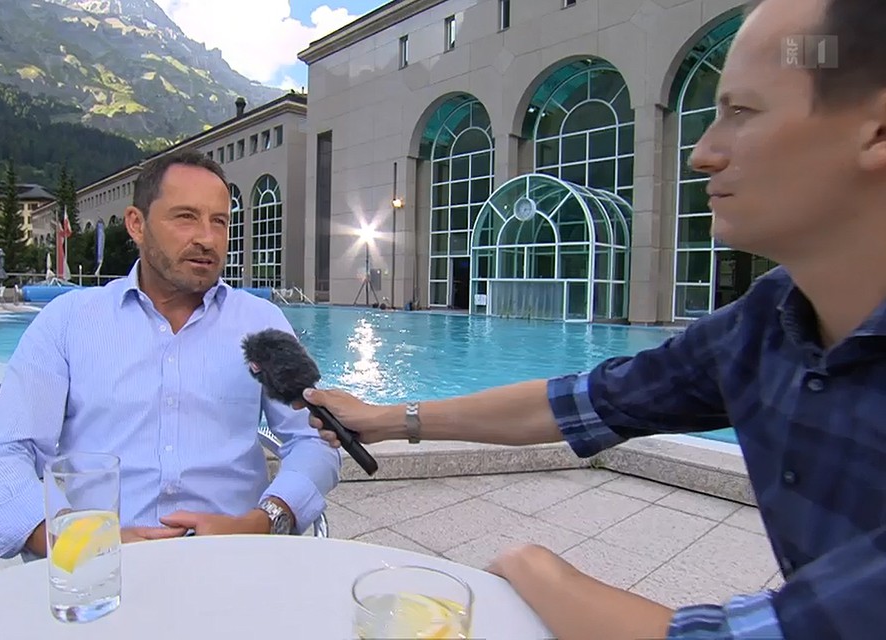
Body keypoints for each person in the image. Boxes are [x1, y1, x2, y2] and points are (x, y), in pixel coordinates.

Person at [300, 0, 886, 638]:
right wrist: (387, 420)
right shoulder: (766, 325)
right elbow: (583, 401)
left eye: (742, 113)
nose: (703, 154)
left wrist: (541, 573)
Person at [0, 151, 341, 560]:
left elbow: (313, 439)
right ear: (136, 224)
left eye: (219, 221)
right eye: (185, 217)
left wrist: (266, 518)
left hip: (232, 563)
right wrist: (78, 539)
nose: (207, 238)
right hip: (97, 572)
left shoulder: (262, 323)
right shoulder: (68, 323)